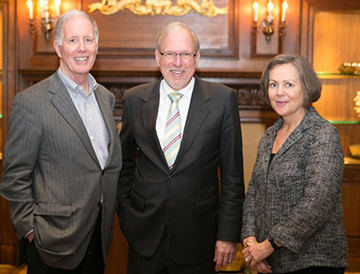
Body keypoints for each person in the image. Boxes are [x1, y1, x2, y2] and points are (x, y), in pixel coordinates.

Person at [0, 9, 122, 274]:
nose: (82, 48)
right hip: (51, 244)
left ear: (97, 45)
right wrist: (31, 231)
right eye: (73, 40)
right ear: (58, 47)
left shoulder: (106, 99)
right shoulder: (32, 102)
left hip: (98, 239)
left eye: (88, 40)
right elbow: (14, 177)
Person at [118, 21, 245, 273]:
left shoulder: (221, 100)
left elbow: (232, 175)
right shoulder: (134, 99)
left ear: (197, 58)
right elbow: (123, 163)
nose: (178, 63)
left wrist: (227, 235)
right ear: (158, 57)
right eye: (170, 54)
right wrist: (126, 213)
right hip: (144, 235)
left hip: (199, 237)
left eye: (185, 54)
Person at [241, 54, 348, 274]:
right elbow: (254, 193)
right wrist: (252, 245)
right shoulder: (269, 135)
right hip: (270, 263)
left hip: (313, 262)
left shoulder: (323, 134)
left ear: (306, 88)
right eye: (273, 84)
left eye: (288, 84)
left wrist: (268, 245)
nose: (279, 92)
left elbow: (317, 204)